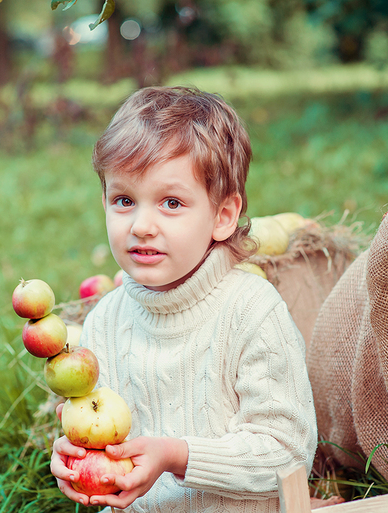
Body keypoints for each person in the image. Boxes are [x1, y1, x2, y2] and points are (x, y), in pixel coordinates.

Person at [50, 86, 318, 512]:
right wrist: (73, 452)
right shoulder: (105, 321)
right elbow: (98, 426)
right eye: (123, 200)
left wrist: (178, 456)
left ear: (223, 216)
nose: (141, 225)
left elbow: (288, 454)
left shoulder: (251, 311)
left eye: (171, 203)